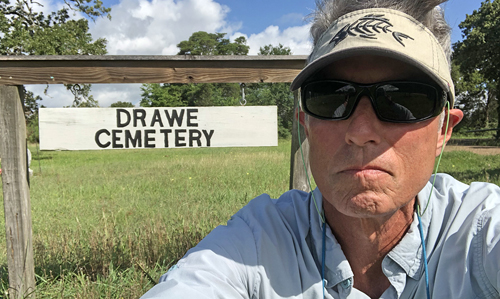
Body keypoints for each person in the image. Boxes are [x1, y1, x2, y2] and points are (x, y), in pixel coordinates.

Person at [141, 0, 500, 298]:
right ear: (305, 124)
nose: (360, 132)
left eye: (404, 99)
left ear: (444, 129)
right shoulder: (256, 244)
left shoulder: (480, 233)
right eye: (331, 98)